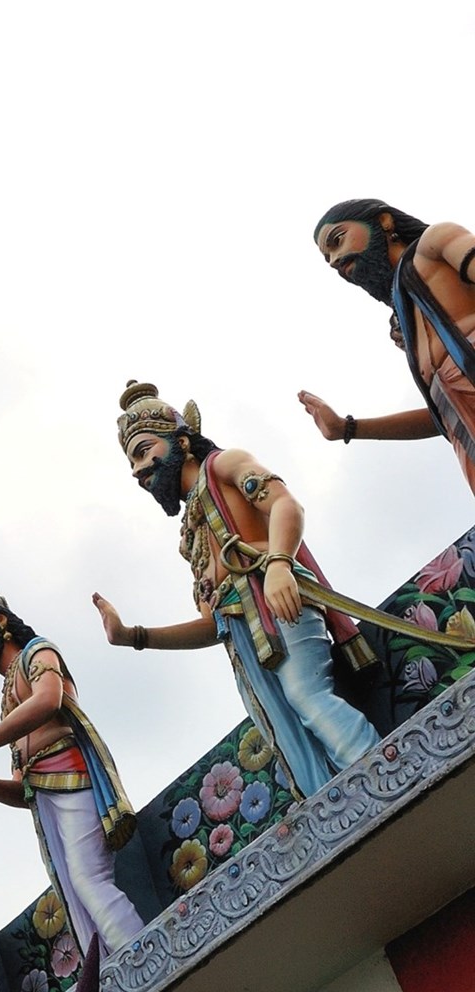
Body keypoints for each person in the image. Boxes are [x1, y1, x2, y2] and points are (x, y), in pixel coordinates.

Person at [94, 381, 379, 799]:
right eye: (131, 461)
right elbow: (215, 624)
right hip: (244, 638)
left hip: (280, 604)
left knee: (307, 696)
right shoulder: (190, 537)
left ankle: (380, 772)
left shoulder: (226, 466)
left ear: (182, 442)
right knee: (284, 733)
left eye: (143, 451)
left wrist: (279, 563)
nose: (137, 470)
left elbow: (285, 504)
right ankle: (335, 802)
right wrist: (135, 636)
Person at [0, 562, 145, 958]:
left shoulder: (38, 652)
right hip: (48, 799)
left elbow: (49, 699)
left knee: (88, 879)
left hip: (74, 777)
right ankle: (117, 968)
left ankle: (143, 958)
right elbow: (24, 791)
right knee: (75, 895)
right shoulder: (7, 708)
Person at [300, 200, 475, 493]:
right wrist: (347, 428)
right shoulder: (404, 327)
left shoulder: (435, 243)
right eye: (327, 257)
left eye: (337, 240)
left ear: (384, 221)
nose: (333, 261)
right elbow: (446, 416)